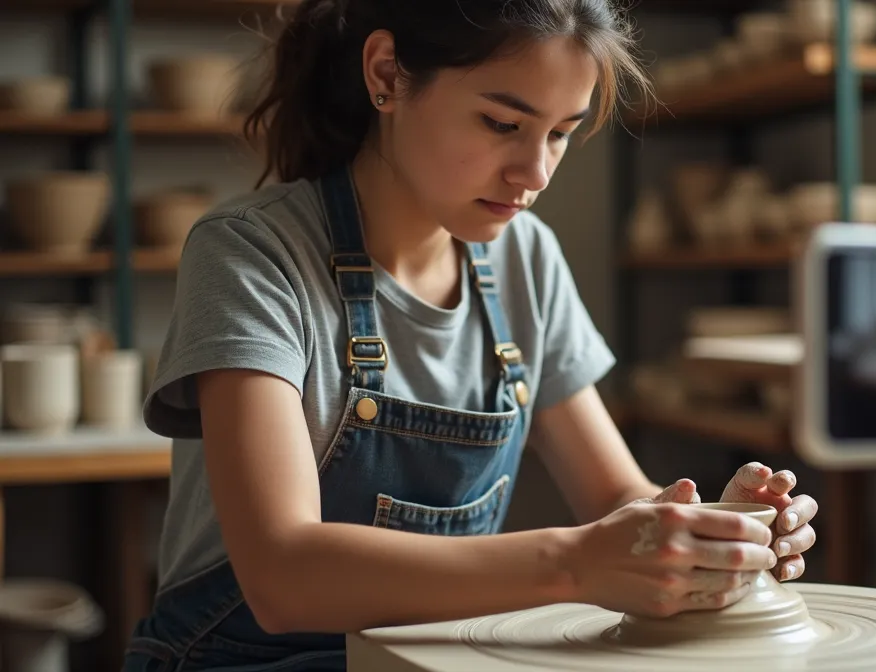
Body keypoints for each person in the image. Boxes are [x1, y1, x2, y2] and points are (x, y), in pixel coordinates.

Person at [122, 1, 820, 670]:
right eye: (500, 123)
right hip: (244, 658)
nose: (535, 173)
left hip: (432, 655)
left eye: (560, 133)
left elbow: (615, 496)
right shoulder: (252, 252)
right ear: (387, 76)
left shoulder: (526, 257)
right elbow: (283, 576)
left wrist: (712, 530)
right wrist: (575, 563)